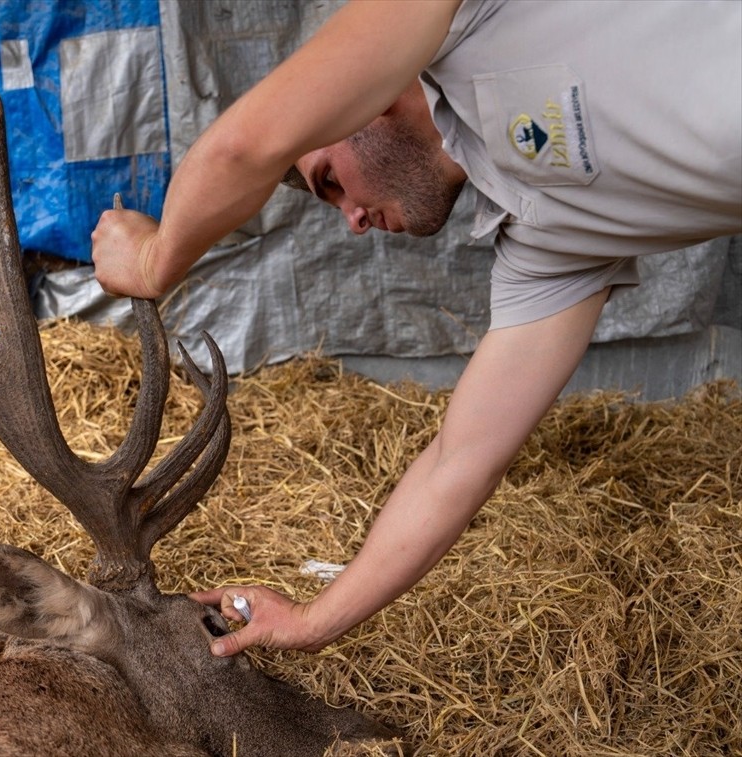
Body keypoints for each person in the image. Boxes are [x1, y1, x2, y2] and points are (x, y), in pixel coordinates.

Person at [90, 0, 742, 658]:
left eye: (330, 182)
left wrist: (154, 259)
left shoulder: (470, 18)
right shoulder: (548, 242)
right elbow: (456, 465)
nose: (353, 219)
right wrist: (315, 621)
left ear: (355, 103)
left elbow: (247, 145)